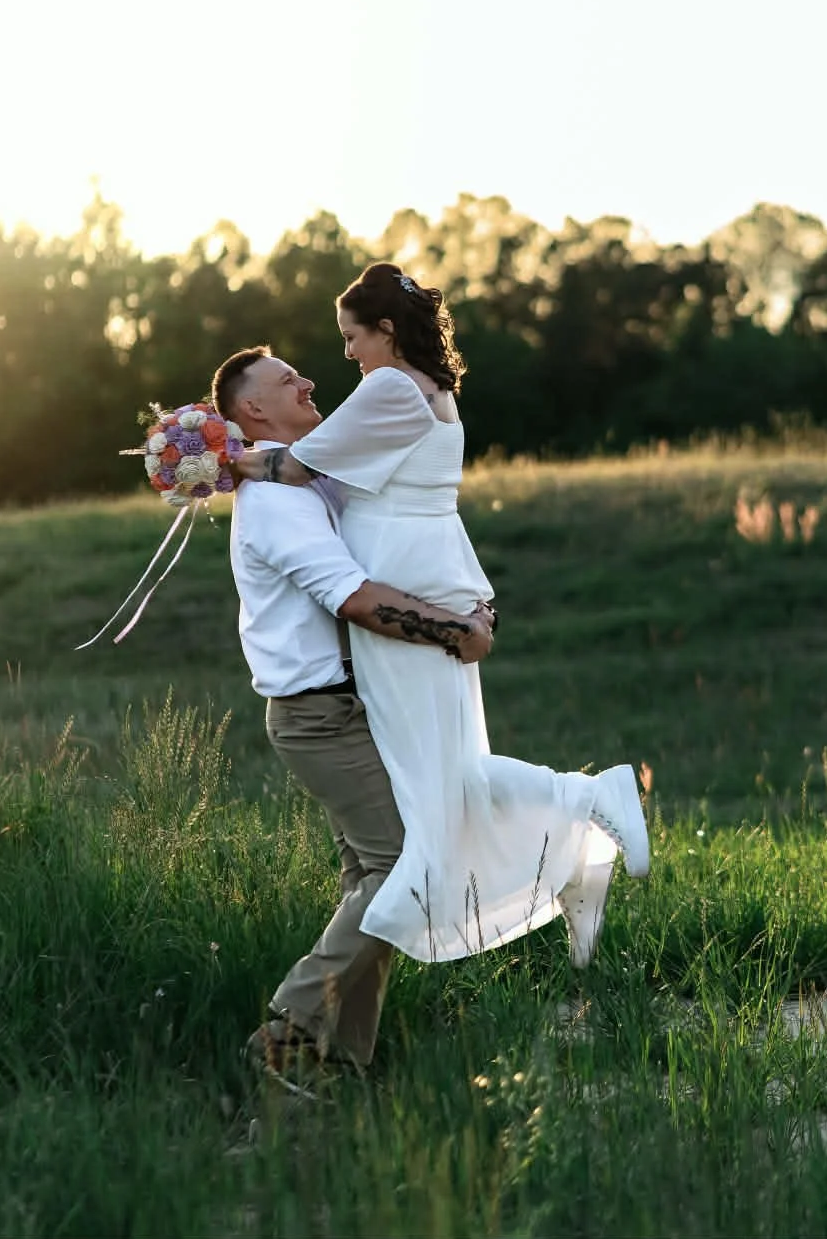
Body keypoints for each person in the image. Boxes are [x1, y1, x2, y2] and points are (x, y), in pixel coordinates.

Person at [221, 262, 649, 970]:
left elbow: (299, 467)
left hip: (398, 573)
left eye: (353, 336)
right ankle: (574, 855)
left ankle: (588, 797)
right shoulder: (433, 390)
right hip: (427, 563)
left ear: (386, 331)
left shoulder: (387, 386)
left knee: (440, 781)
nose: (346, 355)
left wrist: (224, 460)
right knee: (450, 773)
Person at [211, 344, 499, 1081]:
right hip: (320, 716)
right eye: (286, 381)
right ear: (252, 411)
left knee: (372, 879)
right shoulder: (276, 502)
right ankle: (287, 1030)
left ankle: (333, 1062)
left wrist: (468, 596)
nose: (309, 380)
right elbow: (355, 598)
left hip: (357, 705)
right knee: (407, 863)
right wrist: (455, 630)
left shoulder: (307, 482)